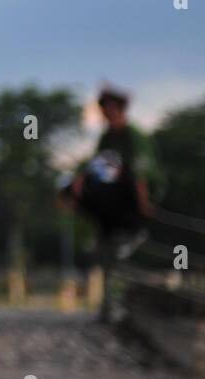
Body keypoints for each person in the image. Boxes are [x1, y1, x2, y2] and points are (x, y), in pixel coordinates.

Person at [59, 85, 161, 320]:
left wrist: (144, 206)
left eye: (108, 109)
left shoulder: (133, 137)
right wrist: (77, 185)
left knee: (116, 256)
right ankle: (108, 307)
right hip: (113, 202)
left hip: (134, 200)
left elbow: (140, 176)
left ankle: (134, 235)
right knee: (106, 257)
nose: (105, 114)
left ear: (118, 109)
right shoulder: (107, 137)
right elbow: (95, 166)